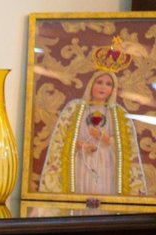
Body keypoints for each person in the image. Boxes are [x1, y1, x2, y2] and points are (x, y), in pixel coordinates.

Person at [39, 68, 149, 196]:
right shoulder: (74, 109)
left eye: (108, 84)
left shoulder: (118, 113)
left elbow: (128, 147)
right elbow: (61, 140)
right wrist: (80, 144)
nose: (103, 87)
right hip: (81, 162)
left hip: (106, 165)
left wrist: (105, 138)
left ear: (113, 89)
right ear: (91, 84)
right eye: (99, 82)